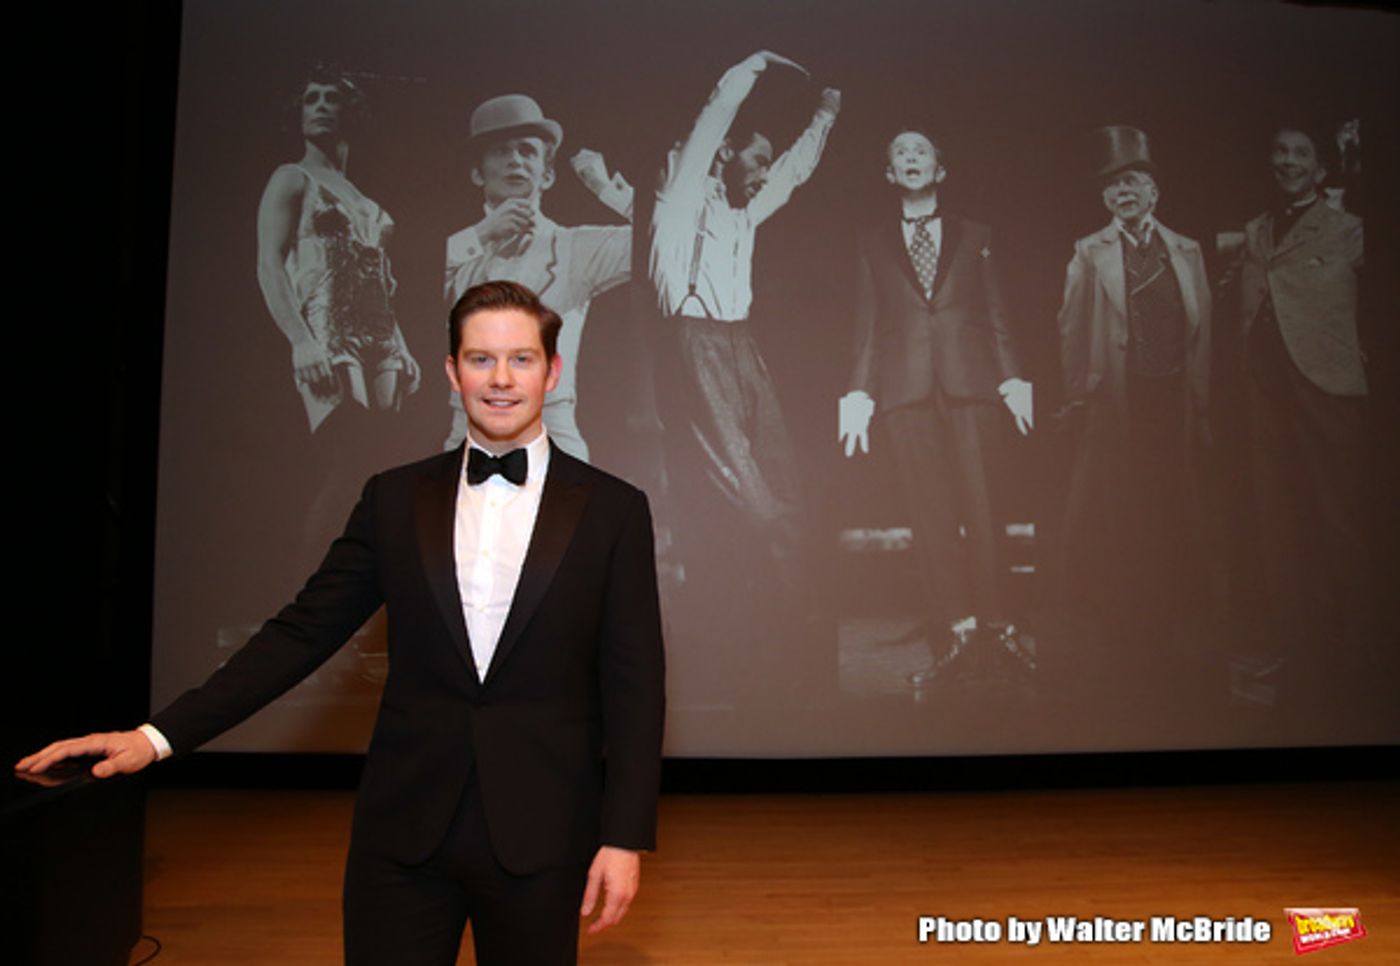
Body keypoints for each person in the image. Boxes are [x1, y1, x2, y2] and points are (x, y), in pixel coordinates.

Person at [18, 280, 666, 966]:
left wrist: (623, 839)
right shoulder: (392, 498)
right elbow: (301, 633)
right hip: (402, 837)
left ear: (552, 370)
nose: (500, 379)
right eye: (480, 359)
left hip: (544, 838)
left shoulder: (613, 511)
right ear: (451, 373)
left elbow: (635, 684)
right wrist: (156, 738)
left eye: (521, 359)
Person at [837, 129, 1033, 681]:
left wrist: (1014, 379)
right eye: (900, 152)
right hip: (905, 393)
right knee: (930, 516)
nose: (911, 158)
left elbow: (996, 314)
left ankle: (1000, 627)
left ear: (939, 170)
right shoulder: (872, 243)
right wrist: (859, 393)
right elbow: (869, 325)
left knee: (985, 508)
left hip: (972, 386)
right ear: (889, 175)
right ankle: (958, 629)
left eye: (921, 151)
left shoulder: (977, 235)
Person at [1051, 126, 1211, 675]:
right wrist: (1078, 397)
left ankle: (1173, 621)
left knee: (1173, 507)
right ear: (1104, 199)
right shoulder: (1088, 253)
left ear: (1154, 192)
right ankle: (1125, 625)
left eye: (1134, 182)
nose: (1125, 193)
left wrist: (1202, 403)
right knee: (1120, 513)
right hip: (1118, 401)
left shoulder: (1186, 250)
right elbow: (1071, 331)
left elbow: (1203, 334)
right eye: (1115, 186)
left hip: (1173, 400)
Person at [256, 66, 422, 571]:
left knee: (377, 470)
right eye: (312, 99)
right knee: (343, 459)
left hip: (379, 335)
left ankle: (365, 592)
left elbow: (381, 281)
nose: (322, 106)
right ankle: (306, 593)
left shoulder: (367, 202)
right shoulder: (292, 178)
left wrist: (402, 343)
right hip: (327, 329)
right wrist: (300, 341)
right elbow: (269, 261)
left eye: (332, 98)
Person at [1237, 125, 1370, 697]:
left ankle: (1357, 653)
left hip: (1326, 394)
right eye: (1280, 152)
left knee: (1335, 521)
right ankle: (1293, 650)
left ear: (1321, 170)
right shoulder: (1256, 231)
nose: (1287, 161)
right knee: (1275, 527)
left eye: (1300, 154)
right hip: (1264, 396)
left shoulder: (1351, 229)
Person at [443, 94, 633, 461]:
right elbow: (403, 288)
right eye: (501, 151)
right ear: (477, 171)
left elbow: (669, 243)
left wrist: (606, 189)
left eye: (527, 151)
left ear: (547, 174)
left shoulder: (575, 246)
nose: (515, 160)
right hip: (466, 431)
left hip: (552, 428)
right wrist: (483, 234)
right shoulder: (453, 249)